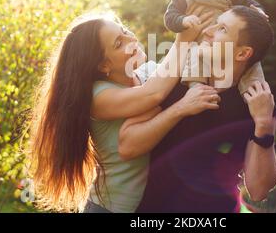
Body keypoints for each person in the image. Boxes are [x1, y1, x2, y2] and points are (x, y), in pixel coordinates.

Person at [27, 11, 220, 213]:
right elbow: (153, 94)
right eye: (119, 43)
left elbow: (179, 69)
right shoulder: (98, 96)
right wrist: (183, 39)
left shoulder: (146, 74)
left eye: (125, 31)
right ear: (104, 65)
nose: (132, 39)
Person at [130, 6, 276, 212]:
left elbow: (259, 190)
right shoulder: (172, 80)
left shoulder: (256, 103)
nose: (208, 31)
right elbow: (128, 146)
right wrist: (181, 107)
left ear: (243, 53)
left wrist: (263, 125)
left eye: (222, 29)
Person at [164, 0, 268, 95]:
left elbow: (247, 2)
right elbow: (169, 18)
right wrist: (183, 20)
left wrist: (258, 10)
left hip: (224, 43)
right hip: (199, 43)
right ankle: (196, 88)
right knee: (194, 57)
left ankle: (254, 91)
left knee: (251, 61)